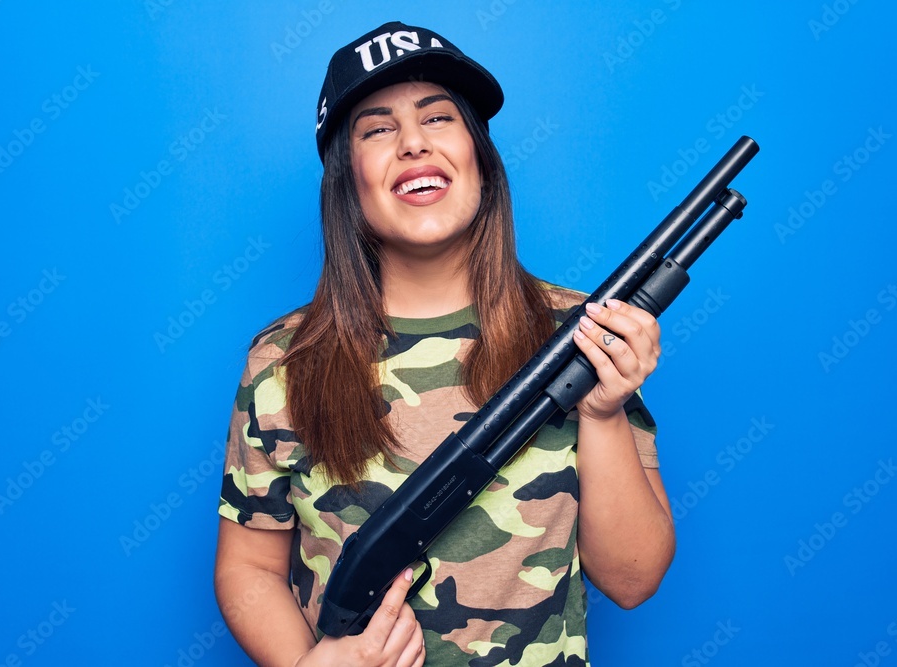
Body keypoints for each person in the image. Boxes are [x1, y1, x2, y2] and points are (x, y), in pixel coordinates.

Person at [214, 21, 675, 667]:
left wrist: (600, 411)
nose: (412, 143)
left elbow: (632, 579)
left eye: (438, 118)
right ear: (347, 180)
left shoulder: (582, 333)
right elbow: (249, 569)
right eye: (377, 128)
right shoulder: (284, 362)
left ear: (479, 157)